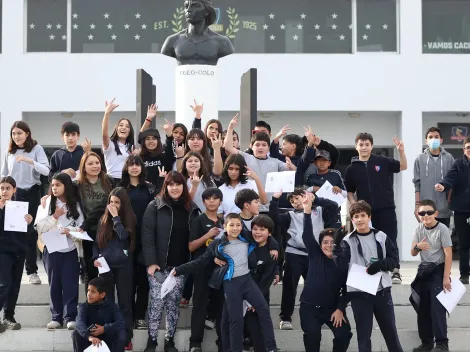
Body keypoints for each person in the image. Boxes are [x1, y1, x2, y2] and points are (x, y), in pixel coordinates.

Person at [172, 213, 279, 352]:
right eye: (231, 225)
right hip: (231, 284)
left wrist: (274, 246)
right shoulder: (218, 244)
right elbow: (200, 262)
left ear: (242, 227)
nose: (235, 228)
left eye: (238, 225)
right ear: (224, 226)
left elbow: (265, 235)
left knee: (264, 311)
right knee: (236, 320)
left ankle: (272, 348)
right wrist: (178, 270)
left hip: (247, 281)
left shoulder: (246, 237)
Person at [141, 171, 200, 352]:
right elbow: (147, 234)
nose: (175, 188)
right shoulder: (155, 205)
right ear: (165, 186)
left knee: (173, 303)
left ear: (184, 186)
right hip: (158, 266)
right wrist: (151, 262)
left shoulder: (191, 208)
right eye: (171, 184)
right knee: (157, 302)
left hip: (180, 266)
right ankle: (151, 341)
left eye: (178, 184)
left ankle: (169, 341)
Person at [335, 201, 403, 352]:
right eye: (356, 217)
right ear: (352, 220)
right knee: (363, 337)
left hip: (381, 292)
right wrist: (337, 249)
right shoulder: (347, 241)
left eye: (363, 216)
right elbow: (341, 269)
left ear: (369, 217)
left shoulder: (381, 236)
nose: (359, 219)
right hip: (359, 294)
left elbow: (394, 260)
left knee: (391, 333)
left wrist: (380, 265)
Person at [269, 187, 340, 330]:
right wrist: (275, 199)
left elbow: (334, 206)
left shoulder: (319, 210)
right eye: (292, 200)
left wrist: (316, 199)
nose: (295, 202)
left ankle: (322, 315)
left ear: (305, 196)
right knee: (290, 286)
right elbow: (274, 218)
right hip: (294, 252)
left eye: (297, 198)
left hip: (315, 255)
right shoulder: (290, 215)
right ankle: (286, 318)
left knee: (318, 285)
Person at [344, 132, 407, 284]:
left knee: (390, 239)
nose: (364, 147)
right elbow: (350, 191)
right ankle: (372, 268)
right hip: (366, 213)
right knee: (370, 240)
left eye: (367, 144)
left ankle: (395, 270)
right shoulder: (351, 168)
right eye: (361, 145)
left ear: (372, 146)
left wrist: (401, 151)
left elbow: (403, 166)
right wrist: (354, 204)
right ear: (356, 146)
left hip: (386, 208)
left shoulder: (382, 161)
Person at [298, 192, 352, 352]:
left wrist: (340, 309)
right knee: (313, 337)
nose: (329, 245)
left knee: (344, 334)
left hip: (332, 308)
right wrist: (307, 211)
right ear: (320, 245)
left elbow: (348, 289)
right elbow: (307, 235)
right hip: (309, 307)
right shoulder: (315, 255)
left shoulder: (344, 262)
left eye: (333, 242)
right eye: (325, 242)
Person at [1, 121, 50, 285]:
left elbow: (46, 170)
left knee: (30, 233)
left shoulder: (36, 149)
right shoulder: (10, 152)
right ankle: (12, 269)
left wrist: (29, 161)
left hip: (32, 193)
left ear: (27, 134)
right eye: (14, 134)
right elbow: (4, 175)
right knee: (13, 232)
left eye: (19, 133)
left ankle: (32, 272)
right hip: (15, 195)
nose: (16, 137)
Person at [35, 173, 84, 330]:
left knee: (70, 284)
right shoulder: (46, 203)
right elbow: (39, 227)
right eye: (53, 185)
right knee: (54, 284)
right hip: (52, 250)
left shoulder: (75, 204)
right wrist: (54, 216)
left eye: (58, 185)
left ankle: (70, 317)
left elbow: (82, 226)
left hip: (70, 250)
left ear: (66, 186)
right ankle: (56, 317)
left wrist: (70, 230)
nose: (54, 188)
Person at [93, 187, 136, 350]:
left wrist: (116, 218)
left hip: (123, 266)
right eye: (111, 202)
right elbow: (97, 244)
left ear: (123, 204)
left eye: (117, 202)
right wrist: (96, 258)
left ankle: (126, 338)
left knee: (125, 303)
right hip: (106, 267)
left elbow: (124, 238)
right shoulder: (103, 220)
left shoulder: (129, 219)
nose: (113, 205)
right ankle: (109, 336)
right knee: (107, 303)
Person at [118, 156, 157, 330]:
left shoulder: (150, 189)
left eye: (137, 165)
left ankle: (140, 316)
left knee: (143, 279)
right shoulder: (120, 188)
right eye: (131, 165)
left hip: (146, 240)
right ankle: (128, 315)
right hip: (125, 239)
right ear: (126, 168)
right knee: (127, 279)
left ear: (142, 168)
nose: (134, 168)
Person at [224, 115, 291, 213]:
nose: (260, 148)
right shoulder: (246, 157)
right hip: (249, 209)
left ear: (268, 147)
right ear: (251, 146)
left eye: (264, 145)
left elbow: (293, 172)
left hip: (270, 208)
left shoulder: (276, 162)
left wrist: (291, 166)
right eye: (257, 145)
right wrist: (230, 128)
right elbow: (228, 147)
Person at [410, 200, 452, 352]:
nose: (425, 215)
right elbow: (412, 252)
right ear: (418, 215)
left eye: (428, 212)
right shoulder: (418, 229)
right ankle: (427, 343)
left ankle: (442, 344)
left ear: (435, 213)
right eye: (422, 213)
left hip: (438, 270)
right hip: (423, 270)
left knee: (437, 308)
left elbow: (448, 255)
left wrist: (446, 277)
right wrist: (417, 247)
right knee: (423, 308)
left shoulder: (443, 229)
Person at [187, 188, 225, 352]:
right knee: (200, 305)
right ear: (203, 202)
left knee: (221, 306)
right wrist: (207, 235)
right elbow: (191, 246)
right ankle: (195, 343)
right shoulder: (198, 220)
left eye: (215, 198)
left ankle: (223, 342)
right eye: (208, 199)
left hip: (221, 270)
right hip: (202, 268)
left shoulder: (225, 221)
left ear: (220, 202)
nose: (211, 201)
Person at [76, 152, 113, 293]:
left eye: (97, 162)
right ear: (83, 167)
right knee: (90, 270)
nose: (95, 166)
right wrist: (48, 195)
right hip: (87, 233)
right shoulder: (77, 185)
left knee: (106, 270)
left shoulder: (108, 181)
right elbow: (60, 190)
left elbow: (106, 204)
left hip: (106, 231)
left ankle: (106, 305)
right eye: (90, 163)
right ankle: (90, 304)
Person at [435, 135, 470, 284]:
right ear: (464, 149)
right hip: (461, 210)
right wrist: (443, 185)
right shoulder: (458, 164)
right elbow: (450, 177)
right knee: (463, 243)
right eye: (468, 147)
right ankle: (464, 274)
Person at [0, 176, 33, 332]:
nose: (4, 191)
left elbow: (27, 234)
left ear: (14, 190)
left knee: (14, 286)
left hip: (19, 252)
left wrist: (29, 222)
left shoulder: (20, 208)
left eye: (8, 188)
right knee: (4, 284)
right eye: (2, 188)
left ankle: (8, 317)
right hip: (2, 251)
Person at [243, 215, 280, 352]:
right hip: (241, 292)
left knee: (258, 326)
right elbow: (232, 231)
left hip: (259, 295)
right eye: (255, 229)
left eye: (262, 229)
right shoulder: (247, 242)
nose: (257, 232)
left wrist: (254, 300)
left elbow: (266, 280)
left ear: (269, 233)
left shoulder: (271, 254)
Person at [413, 127, 454, 226]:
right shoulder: (420, 159)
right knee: (427, 240)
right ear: (426, 141)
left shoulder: (449, 158)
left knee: (443, 240)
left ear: (441, 140)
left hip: (444, 210)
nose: (433, 139)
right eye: (430, 137)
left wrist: (449, 202)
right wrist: (417, 206)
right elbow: (417, 184)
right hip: (426, 211)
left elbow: (453, 182)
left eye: (436, 137)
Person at [72, 277, 126, 352]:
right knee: (76, 333)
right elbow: (79, 323)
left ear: (102, 295)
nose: (89, 294)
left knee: (121, 332)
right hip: (91, 339)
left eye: (93, 292)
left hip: (107, 338)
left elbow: (121, 322)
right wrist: (89, 337)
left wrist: (104, 329)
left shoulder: (112, 306)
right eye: (88, 291)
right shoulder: (84, 307)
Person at [101, 98, 135, 182]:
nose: (124, 127)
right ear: (116, 128)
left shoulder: (130, 148)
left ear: (129, 131)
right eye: (121, 125)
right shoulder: (110, 144)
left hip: (127, 181)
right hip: (112, 181)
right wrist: (107, 114)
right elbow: (104, 134)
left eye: (127, 126)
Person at [137, 126, 174, 192]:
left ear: (158, 140)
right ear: (144, 142)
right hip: (144, 192)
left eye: (154, 138)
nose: (151, 141)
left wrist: (169, 136)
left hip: (163, 192)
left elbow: (170, 147)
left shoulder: (164, 155)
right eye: (147, 139)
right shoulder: (139, 157)